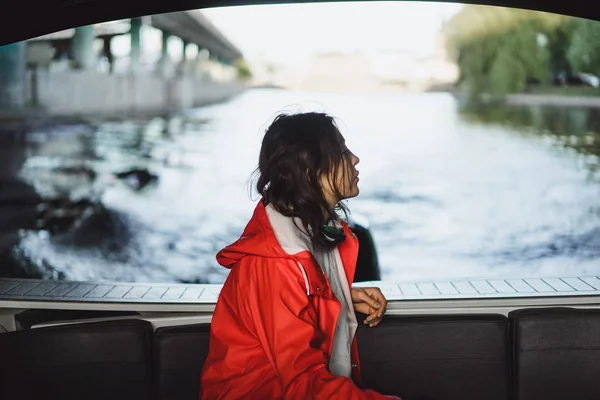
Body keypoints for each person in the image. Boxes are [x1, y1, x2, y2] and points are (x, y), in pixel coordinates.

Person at [200, 112, 400, 399]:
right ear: (310, 170)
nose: (355, 159)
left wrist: (336, 297)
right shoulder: (273, 264)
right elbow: (302, 385)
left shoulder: (310, 234)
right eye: (342, 152)